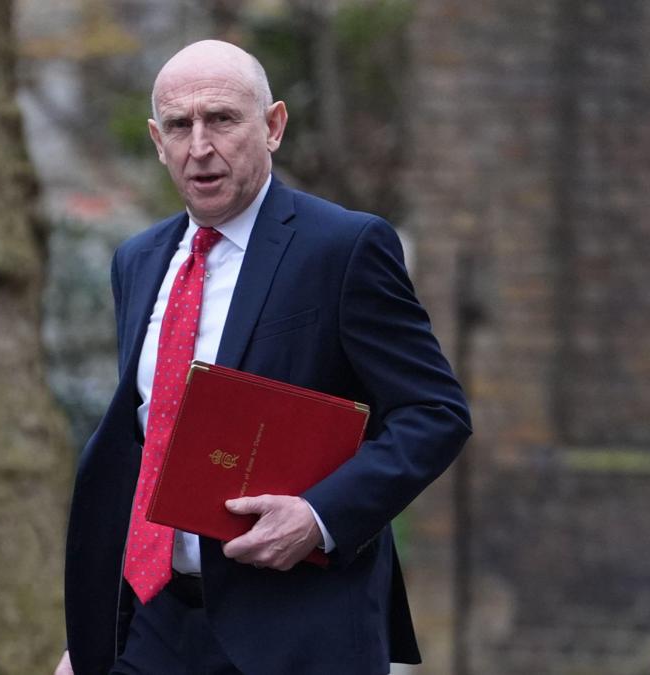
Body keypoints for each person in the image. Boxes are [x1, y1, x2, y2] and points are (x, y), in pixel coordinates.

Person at [56, 40, 471, 675]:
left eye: (221, 119)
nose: (200, 146)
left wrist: (319, 516)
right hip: (153, 625)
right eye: (179, 125)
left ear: (272, 126)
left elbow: (434, 413)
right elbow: (146, 440)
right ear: (156, 139)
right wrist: (95, 636)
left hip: (295, 631)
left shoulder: (344, 247)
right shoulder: (136, 262)